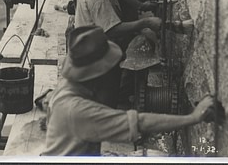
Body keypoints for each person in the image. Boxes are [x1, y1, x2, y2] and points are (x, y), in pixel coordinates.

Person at [42, 25, 216, 156]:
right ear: (97, 74)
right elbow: (140, 122)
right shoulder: (77, 111)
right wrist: (193, 117)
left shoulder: (66, 86)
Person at [74, 0, 161, 107]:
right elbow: (111, 30)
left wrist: (139, 4)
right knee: (106, 102)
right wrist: (146, 23)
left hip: (94, 50)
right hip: (96, 60)